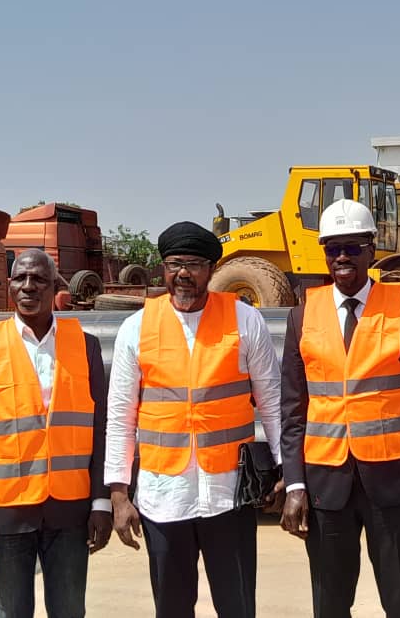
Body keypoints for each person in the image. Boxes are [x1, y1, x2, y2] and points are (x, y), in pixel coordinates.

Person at [280, 198, 400, 618]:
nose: (342, 257)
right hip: (326, 486)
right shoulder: (302, 316)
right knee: (330, 605)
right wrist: (294, 484)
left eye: (352, 247)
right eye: (333, 248)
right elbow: (292, 411)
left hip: (394, 486)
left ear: (371, 250)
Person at [106, 221, 283, 618]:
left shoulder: (245, 321)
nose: (183, 273)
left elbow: (272, 403)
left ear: (211, 269)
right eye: (174, 264)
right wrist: (118, 492)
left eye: (194, 264)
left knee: (237, 607)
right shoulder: (136, 329)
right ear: (163, 268)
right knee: (172, 608)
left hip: (229, 495)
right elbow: (120, 416)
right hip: (163, 498)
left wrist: (287, 469)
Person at [0, 249, 112, 618]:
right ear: (10, 285)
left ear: (56, 287)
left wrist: (101, 503)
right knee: (11, 612)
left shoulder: (86, 346)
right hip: (6, 514)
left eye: (39, 279)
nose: (29, 286)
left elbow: (100, 430)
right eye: (20, 278)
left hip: (70, 513)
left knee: (69, 611)